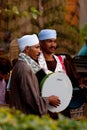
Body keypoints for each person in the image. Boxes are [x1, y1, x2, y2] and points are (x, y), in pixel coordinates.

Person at [38, 29, 87, 118]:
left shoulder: (63, 61)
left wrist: (81, 84)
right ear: (41, 43)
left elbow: (76, 78)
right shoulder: (36, 64)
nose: (53, 45)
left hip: (63, 110)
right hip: (44, 111)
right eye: (49, 41)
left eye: (54, 42)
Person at [8, 34, 60, 117]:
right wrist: (48, 100)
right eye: (36, 47)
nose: (39, 51)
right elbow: (30, 98)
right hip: (23, 117)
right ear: (27, 49)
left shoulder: (26, 65)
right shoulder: (24, 69)